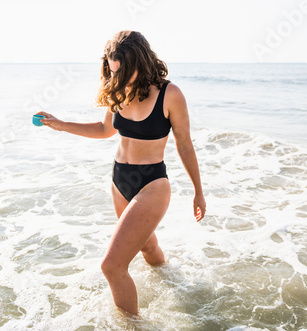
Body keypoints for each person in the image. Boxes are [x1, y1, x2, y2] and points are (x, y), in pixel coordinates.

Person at [36, 30, 206, 315]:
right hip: (119, 181)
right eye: (114, 71)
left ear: (141, 61)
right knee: (148, 250)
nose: (119, 78)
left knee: (112, 266)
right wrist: (62, 124)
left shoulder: (170, 94)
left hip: (152, 183)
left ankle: (133, 326)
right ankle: (175, 285)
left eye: (123, 71)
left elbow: (185, 146)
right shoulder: (117, 88)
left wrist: (198, 192)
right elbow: (105, 130)